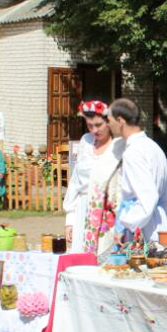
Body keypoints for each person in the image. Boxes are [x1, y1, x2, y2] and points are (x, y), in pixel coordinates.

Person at [106, 98, 167, 247]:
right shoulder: (153, 147)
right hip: (158, 222)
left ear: (120, 120)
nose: (108, 124)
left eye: (109, 120)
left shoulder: (134, 152)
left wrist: (125, 225)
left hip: (142, 229)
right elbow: (164, 193)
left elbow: (147, 197)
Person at [63, 100, 124, 254]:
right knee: (81, 257)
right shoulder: (86, 141)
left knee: (105, 257)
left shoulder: (118, 146)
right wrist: (70, 220)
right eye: (90, 125)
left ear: (108, 122)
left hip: (108, 210)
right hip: (83, 208)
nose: (94, 130)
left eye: (98, 125)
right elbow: (76, 181)